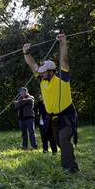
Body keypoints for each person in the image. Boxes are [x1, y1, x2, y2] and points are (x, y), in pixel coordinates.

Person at [23, 33, 79, 173]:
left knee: (64, 140)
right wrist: (26, 52)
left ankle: (70, 168)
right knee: (60, 142)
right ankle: (71, 161)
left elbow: (64, 61)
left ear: (51, 71)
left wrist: (63, 43)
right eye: (40, 73)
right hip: (52, 118)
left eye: (43, 72)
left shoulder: (63, 79)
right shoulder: (42, 80)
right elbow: (33, 65)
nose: (40, 74)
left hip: (67, 116)